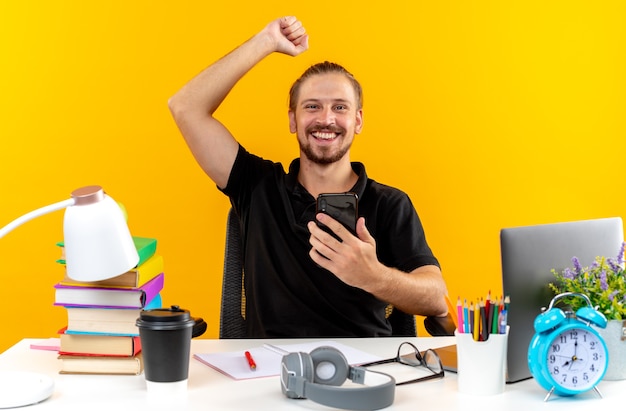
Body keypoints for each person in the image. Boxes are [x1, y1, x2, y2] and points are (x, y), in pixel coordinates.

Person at [169, 16, 448, 337]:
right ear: (293, 119)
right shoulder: (257, 185)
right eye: (312, 106)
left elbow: (438, 298)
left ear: (358, 120)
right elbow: (185, 107)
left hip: (364, 370)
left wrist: (372, 276)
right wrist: (266, 41)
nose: (326, 119)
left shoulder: (388, 203)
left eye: (340, 108)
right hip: (270, 372)